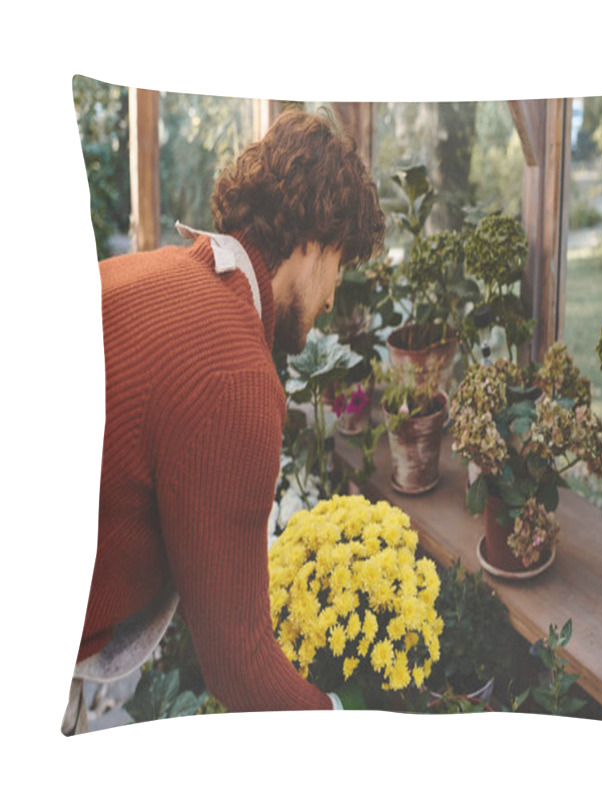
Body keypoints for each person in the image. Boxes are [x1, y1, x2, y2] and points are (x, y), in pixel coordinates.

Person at [62, 109, 385, 734]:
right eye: (340, 268)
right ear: (313, 244)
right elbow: (238, 667)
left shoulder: (149, 272)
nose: (333, 295)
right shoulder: (234, 376)